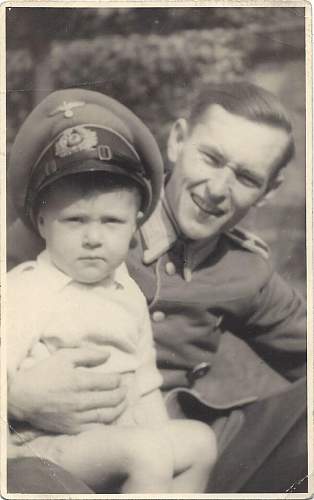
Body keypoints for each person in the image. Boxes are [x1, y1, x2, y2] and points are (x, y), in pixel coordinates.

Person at [6, 82, 307, 494]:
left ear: (268, 192)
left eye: (246, 177)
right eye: (211, 158)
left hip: (168, 448)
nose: (218, 190)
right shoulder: (82, 220)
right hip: (47, 449)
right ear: (178, 141)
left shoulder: (246, 272)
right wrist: (16, 397)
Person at [5, 90, 216, 494]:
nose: (93, 238)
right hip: (42, 444)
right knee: (148, 454)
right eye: (75, 220)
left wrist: (157, 434)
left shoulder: (126, 292)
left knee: (198, 443)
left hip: (113, 438)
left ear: (136, 224)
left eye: (112, 221)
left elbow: (144, 381)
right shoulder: (28, 289)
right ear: (42, 221)